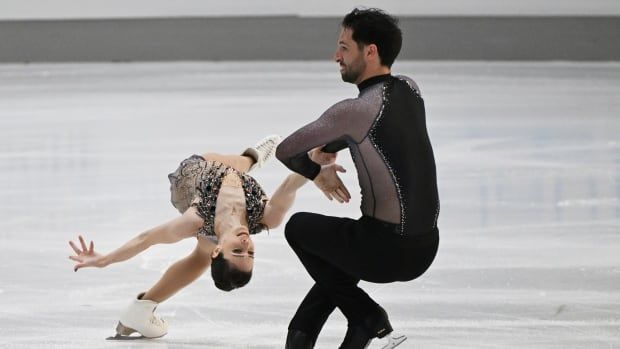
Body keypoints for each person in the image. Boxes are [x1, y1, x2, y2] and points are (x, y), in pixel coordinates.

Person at [276, 8, 440, 349]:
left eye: (344, 47)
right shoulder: (411, 89)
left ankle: (367, 316)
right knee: (339, 259)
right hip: (425, 247)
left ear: (371, 50)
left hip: (384, 250)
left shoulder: (353, 111)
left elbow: (287, 150)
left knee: (299, 228)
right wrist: (331, 146)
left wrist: (316, 173)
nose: (336, 56)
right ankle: (305, 336)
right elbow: (372, 132)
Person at [68, 135, 312, 339]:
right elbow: (291, 185)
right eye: (250, 253)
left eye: (238, 251)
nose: (246, 244)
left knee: (237, 167)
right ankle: (140, 309)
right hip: (223, 198)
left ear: (221, 249)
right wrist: (316, 166)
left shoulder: (194, 219)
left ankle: (251, 158)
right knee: (240, 169)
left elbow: (147, 238)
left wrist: (105, 260)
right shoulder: (265, 217)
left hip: (192, 176)